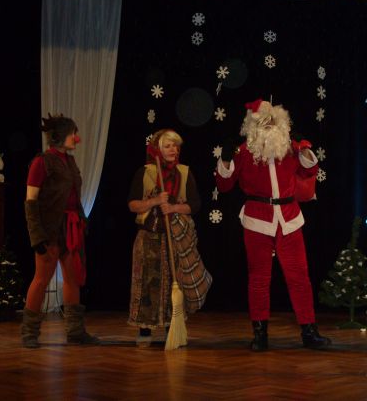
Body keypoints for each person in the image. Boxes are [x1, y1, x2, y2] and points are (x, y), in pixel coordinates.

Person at [216, 98, 331, 351]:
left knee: (300, 277)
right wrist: (225, 160)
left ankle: (309, 331)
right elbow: (224, 185)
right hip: (257, 218)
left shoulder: (290, 148)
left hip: (289, 218)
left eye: (273, 121)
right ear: (253, 126)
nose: (269, 125)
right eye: (263, 121)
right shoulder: (244, 152)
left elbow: (310, 170)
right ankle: (260, 334)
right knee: (258, 278)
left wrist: (304, 147)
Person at [22, 114, 100, 348]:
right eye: (73, 133)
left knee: (72, 278)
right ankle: (29, 333)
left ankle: (75, 332)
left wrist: (81, 221)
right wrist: (37, 236)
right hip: (50, 229)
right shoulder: (42, 162)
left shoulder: (70, 162)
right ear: (61, 136)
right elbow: (30, 202)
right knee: (41, 279)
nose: (77, 138)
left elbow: (73, 196)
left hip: (71, 227)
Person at [127, 129, 203, 347]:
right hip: (149, 237)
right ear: (157, 149)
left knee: (173, 282)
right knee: (146, 283)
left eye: (176, 146)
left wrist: (173, 207)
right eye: (168, 146)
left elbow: (195, 205)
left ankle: (173, 327)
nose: (173, 150)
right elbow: (132, 205)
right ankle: (144, 329)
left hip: (176, 237)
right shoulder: (146, 173)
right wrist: (154, 201)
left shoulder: (184, 173)